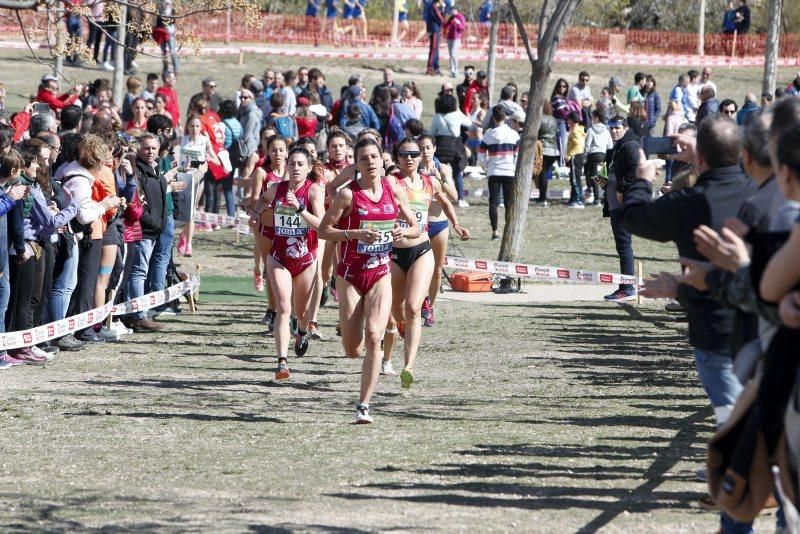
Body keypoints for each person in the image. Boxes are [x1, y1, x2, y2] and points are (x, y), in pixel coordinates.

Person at [318, 137, 420, 424]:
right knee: (353, 350)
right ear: (357, 165)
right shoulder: (347, 195)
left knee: (375, 336)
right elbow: (325, 231)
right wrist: (353, 235)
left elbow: (414, 226)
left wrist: (404, 234)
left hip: (380, 273)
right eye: (364, 158)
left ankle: (364, 405)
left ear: (382, 159)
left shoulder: (393, 189)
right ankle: (353, 336)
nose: (371, 162)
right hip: (350, 275)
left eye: (374, 156)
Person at [381, 137, 468, 384]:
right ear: (397, 157)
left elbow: (446, 201)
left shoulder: (429, 182)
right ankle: (396, 339)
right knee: (395, 310)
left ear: (421, 157)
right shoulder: (391, 181)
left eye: (413, 154)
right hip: (394, 253)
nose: (409, 158)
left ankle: (408, 366)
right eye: (404, 154)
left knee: (413, 308)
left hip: (422, 250)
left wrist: (457, 224)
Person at [250, 146, 324, 380]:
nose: (295, 168)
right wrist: (256, 213)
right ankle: (282, 362)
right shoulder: (276, 189)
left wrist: (300, 208)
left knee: (301, 313)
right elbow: (262, 200)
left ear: (309, 168)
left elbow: (321, 224)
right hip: (279, 257)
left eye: (301, 164)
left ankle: (301, 332)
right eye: (292, 163)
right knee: (283, 307)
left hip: (305, 259)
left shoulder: (313, 191)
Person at [597, 116, 640, 302]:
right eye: (611, 127)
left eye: (618, 127)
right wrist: (605, 184)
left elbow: (637, 171)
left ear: (626, 127)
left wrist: (622, 189)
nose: (614, 130)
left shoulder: (630, 146)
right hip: (615, 203)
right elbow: (615, 175)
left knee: (624, 245)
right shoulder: (617, 148)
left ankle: (628, 288)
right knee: (622, 246)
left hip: (624, 203)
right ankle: (625, 286)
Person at [479, 105, 520, 240]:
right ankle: (509, 231)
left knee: (493, 202)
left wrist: (486, 165)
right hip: (509, 171)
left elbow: (481, 155)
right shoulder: (513, 134)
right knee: (509, 202)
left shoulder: (488, 135)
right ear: (505, 117)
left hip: (494, 171)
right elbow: (517, 155)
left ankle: (495, 231)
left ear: (493, 118)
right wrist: (512, 166)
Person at [584, 109, 612, 206]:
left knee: (594, 177)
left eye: (592, 117)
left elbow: (587, 145)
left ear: (596, 118)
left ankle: (596, 199)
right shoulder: (606, 130)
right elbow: (610, 145)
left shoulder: (591, 130)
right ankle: (606, 197)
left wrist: (586, 154)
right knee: (604, 177)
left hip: (593, 155)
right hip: (603, 155)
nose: (591, 118)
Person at [536, 101, 559, 207]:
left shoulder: (540, 119)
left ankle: (542, 198)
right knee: (544, 174)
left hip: (543, 149)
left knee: (542, 174)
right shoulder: (554, 119)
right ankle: (543, 197)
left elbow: (537, 132)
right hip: (553, 150)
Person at [565, 112, 586, 208]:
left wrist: (570, 154)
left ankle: (579, 200)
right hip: (579, 155)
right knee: (574, 177)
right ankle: (573, 198)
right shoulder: (580, 129)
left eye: (569, 120)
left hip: (575, 156)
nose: (568, 122)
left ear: (572, 121)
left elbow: (578, 144)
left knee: (575, 179)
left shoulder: (574, 131)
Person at [443, 7, 466, 79]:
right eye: (451, 11)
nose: (451, 12)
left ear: (456, 10)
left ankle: (456, 70)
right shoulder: (451, 17)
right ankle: (452, 70)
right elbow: (445, 25)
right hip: (449, 38)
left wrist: (458, 23)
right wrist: (446, 20)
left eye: (452, 10)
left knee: (453, 53)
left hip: (457, 38)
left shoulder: (460, 17)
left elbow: (463, 28)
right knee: (450, 54)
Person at [425, 0, 444, 76]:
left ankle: (436, 67)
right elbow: (440, 17)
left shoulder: (435, 6)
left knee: (436, 50)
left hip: (436, 29)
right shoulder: (433, 6)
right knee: (433, 50)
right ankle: (430, 68)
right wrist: (445, 21)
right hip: (434, 30)